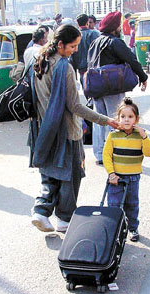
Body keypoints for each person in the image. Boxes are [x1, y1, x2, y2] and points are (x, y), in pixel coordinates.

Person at [30, 24, 120, 233]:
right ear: (60, 44)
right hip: (67, 132)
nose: (76, 50)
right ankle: (64, 218)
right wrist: (105, 120)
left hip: (44, 130)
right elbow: (75, 106)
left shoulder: (40, 61)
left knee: (51, 173)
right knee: (71, 177)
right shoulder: (64, 67)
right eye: (73, 46)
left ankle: (41, 211)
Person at [87, 11, 148, 165]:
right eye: (119, 26)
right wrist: (143, 76)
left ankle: (100, 154)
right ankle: (118, 151)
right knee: (117, 119)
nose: (120, 28)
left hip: (96, 87)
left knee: (99, 121)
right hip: (112, 87)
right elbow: (131, 59)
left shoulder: (95, 42)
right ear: (114, 28)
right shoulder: (115, 42)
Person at [103, 97, 150, 242]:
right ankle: (114, 229)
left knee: (132, 204)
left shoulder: (140, 136)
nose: (126, 120)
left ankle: (132, 228)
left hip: (133, 177)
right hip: (116, 177)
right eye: (123, 116)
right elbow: (107, 156)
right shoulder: (113, 135)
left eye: (130, 117)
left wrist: (144, 136)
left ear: (136, 119)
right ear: (118, 118)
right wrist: (111, 173)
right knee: (113, 204)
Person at [69, 14, 100, 86]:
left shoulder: (73, 36)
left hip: (82, 71)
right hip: (95, 70)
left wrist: (74, 77)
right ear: (87, 22)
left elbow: (71, 57)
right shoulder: (96, 34)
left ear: (77, 23)